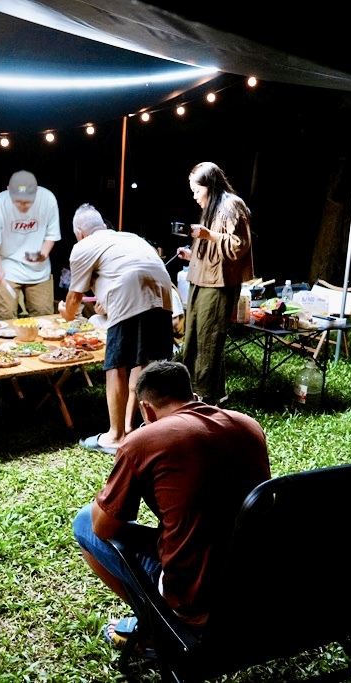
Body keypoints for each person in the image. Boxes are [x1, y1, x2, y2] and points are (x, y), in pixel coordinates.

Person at [73, 361, 270, 643]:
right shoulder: (248, 425)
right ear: (191, 395)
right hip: (253, 588)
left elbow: (103, 528)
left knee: (84, 521)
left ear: (147, 408)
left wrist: (110, 490)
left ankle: (159, 627)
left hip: (195, 601)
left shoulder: (144, 440)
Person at [59, 204, 174, 454]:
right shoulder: (128, 237)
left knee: (116, 365)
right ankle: (134, 428)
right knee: (143, 362)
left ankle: (115, 435)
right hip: (163, 292)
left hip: (131, 290)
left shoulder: (83, 247)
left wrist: (65, 312)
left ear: (79, 232)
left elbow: (74, 299)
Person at [176, 162, 253, 405]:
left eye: (197, 191)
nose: (195, 197)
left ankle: (205, 397)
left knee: (208, 338)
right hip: (202, 279)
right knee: (194, 335)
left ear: (210, 186)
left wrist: (208, 235)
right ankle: (208, 391)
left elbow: (238, 245)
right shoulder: (212, 206)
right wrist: (192, 254)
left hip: (218, 285)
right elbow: (213, 247)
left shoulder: (231, 205)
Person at [0, 170, 61, 320]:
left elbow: (51, 236)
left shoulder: (48, 199)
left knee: (43, 319)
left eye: (28, 202)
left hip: (39, 271)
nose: (23, 206)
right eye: (18, 201)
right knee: (4, 319)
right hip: (8, 266)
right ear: (8, 191)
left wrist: (41, 255)